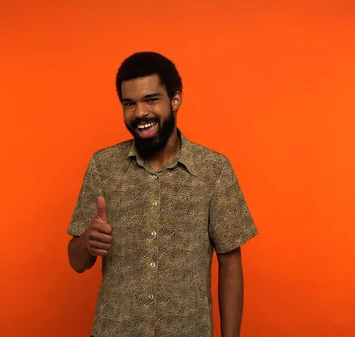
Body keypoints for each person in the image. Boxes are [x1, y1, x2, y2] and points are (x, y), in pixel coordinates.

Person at [67, 51, 258, 337]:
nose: (140, 112)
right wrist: (86, 242)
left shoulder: (214, 169)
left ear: (175, 99)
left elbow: (230, 262)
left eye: (151, 99)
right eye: (129, 103)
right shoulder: (103, 166)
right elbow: (76, 262)